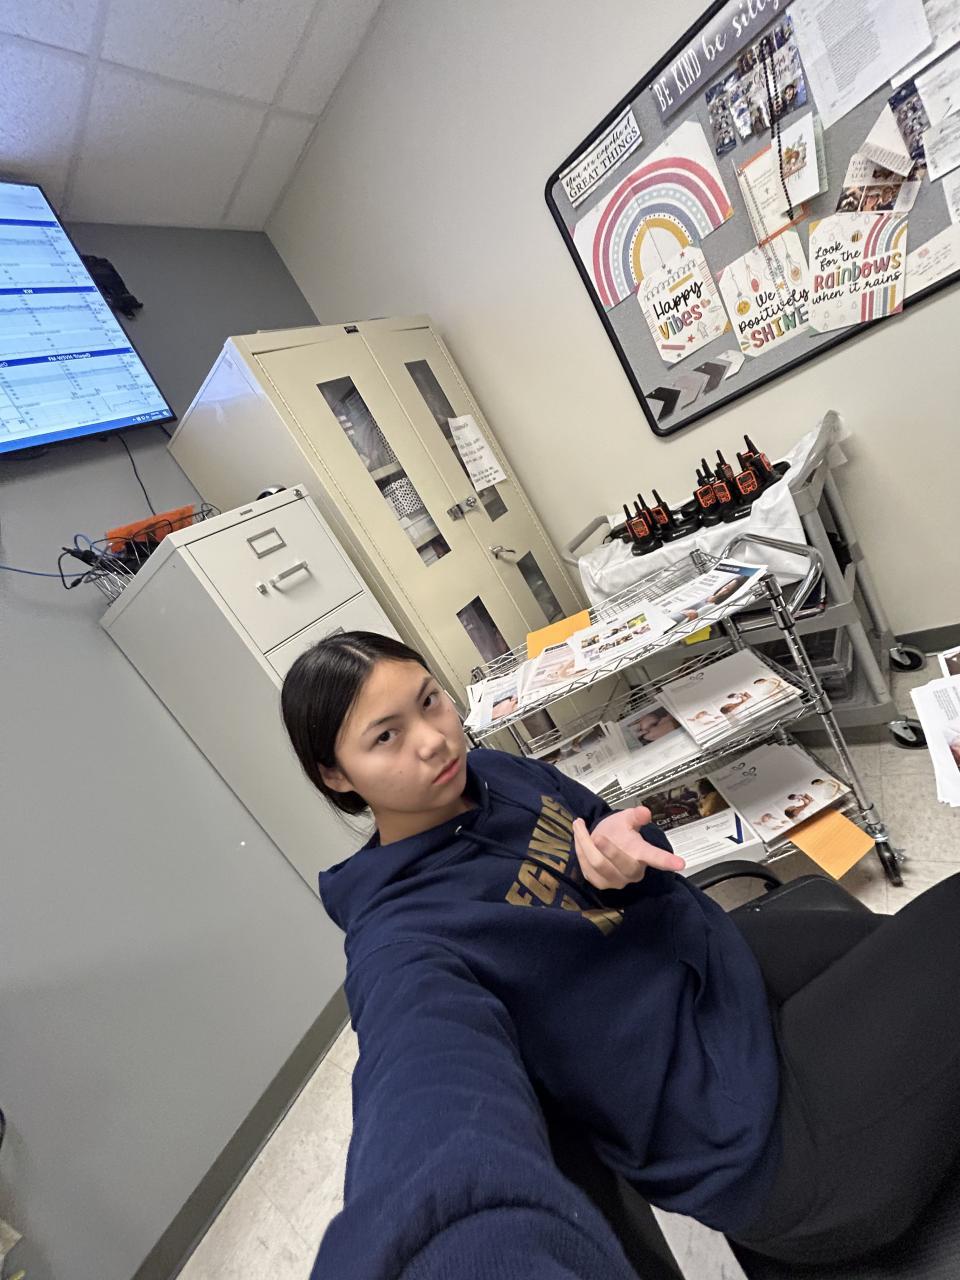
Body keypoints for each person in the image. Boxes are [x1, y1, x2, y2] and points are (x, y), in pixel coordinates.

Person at [282, 631, 960, 1276]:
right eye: (386, 736)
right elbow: (423, 1095)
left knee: (887, 939)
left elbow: (631, 841)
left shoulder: (494, 772)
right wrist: (443, 1241)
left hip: (725, 982)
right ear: (336, 775)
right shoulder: (401, 941)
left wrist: (627, 863)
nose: (433, 739)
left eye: (429, 700)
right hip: (766, 1140)